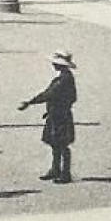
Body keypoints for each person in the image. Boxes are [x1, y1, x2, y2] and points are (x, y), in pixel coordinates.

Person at [19, 50, 78, 184]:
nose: (53, 64)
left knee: (62, 144)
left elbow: (48, 94)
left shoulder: (63, 79)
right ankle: (56, 169)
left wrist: (29, 102)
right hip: (58, 113)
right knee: (55, 143)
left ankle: (65, 173)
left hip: (59, 114)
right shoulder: (65, 77)